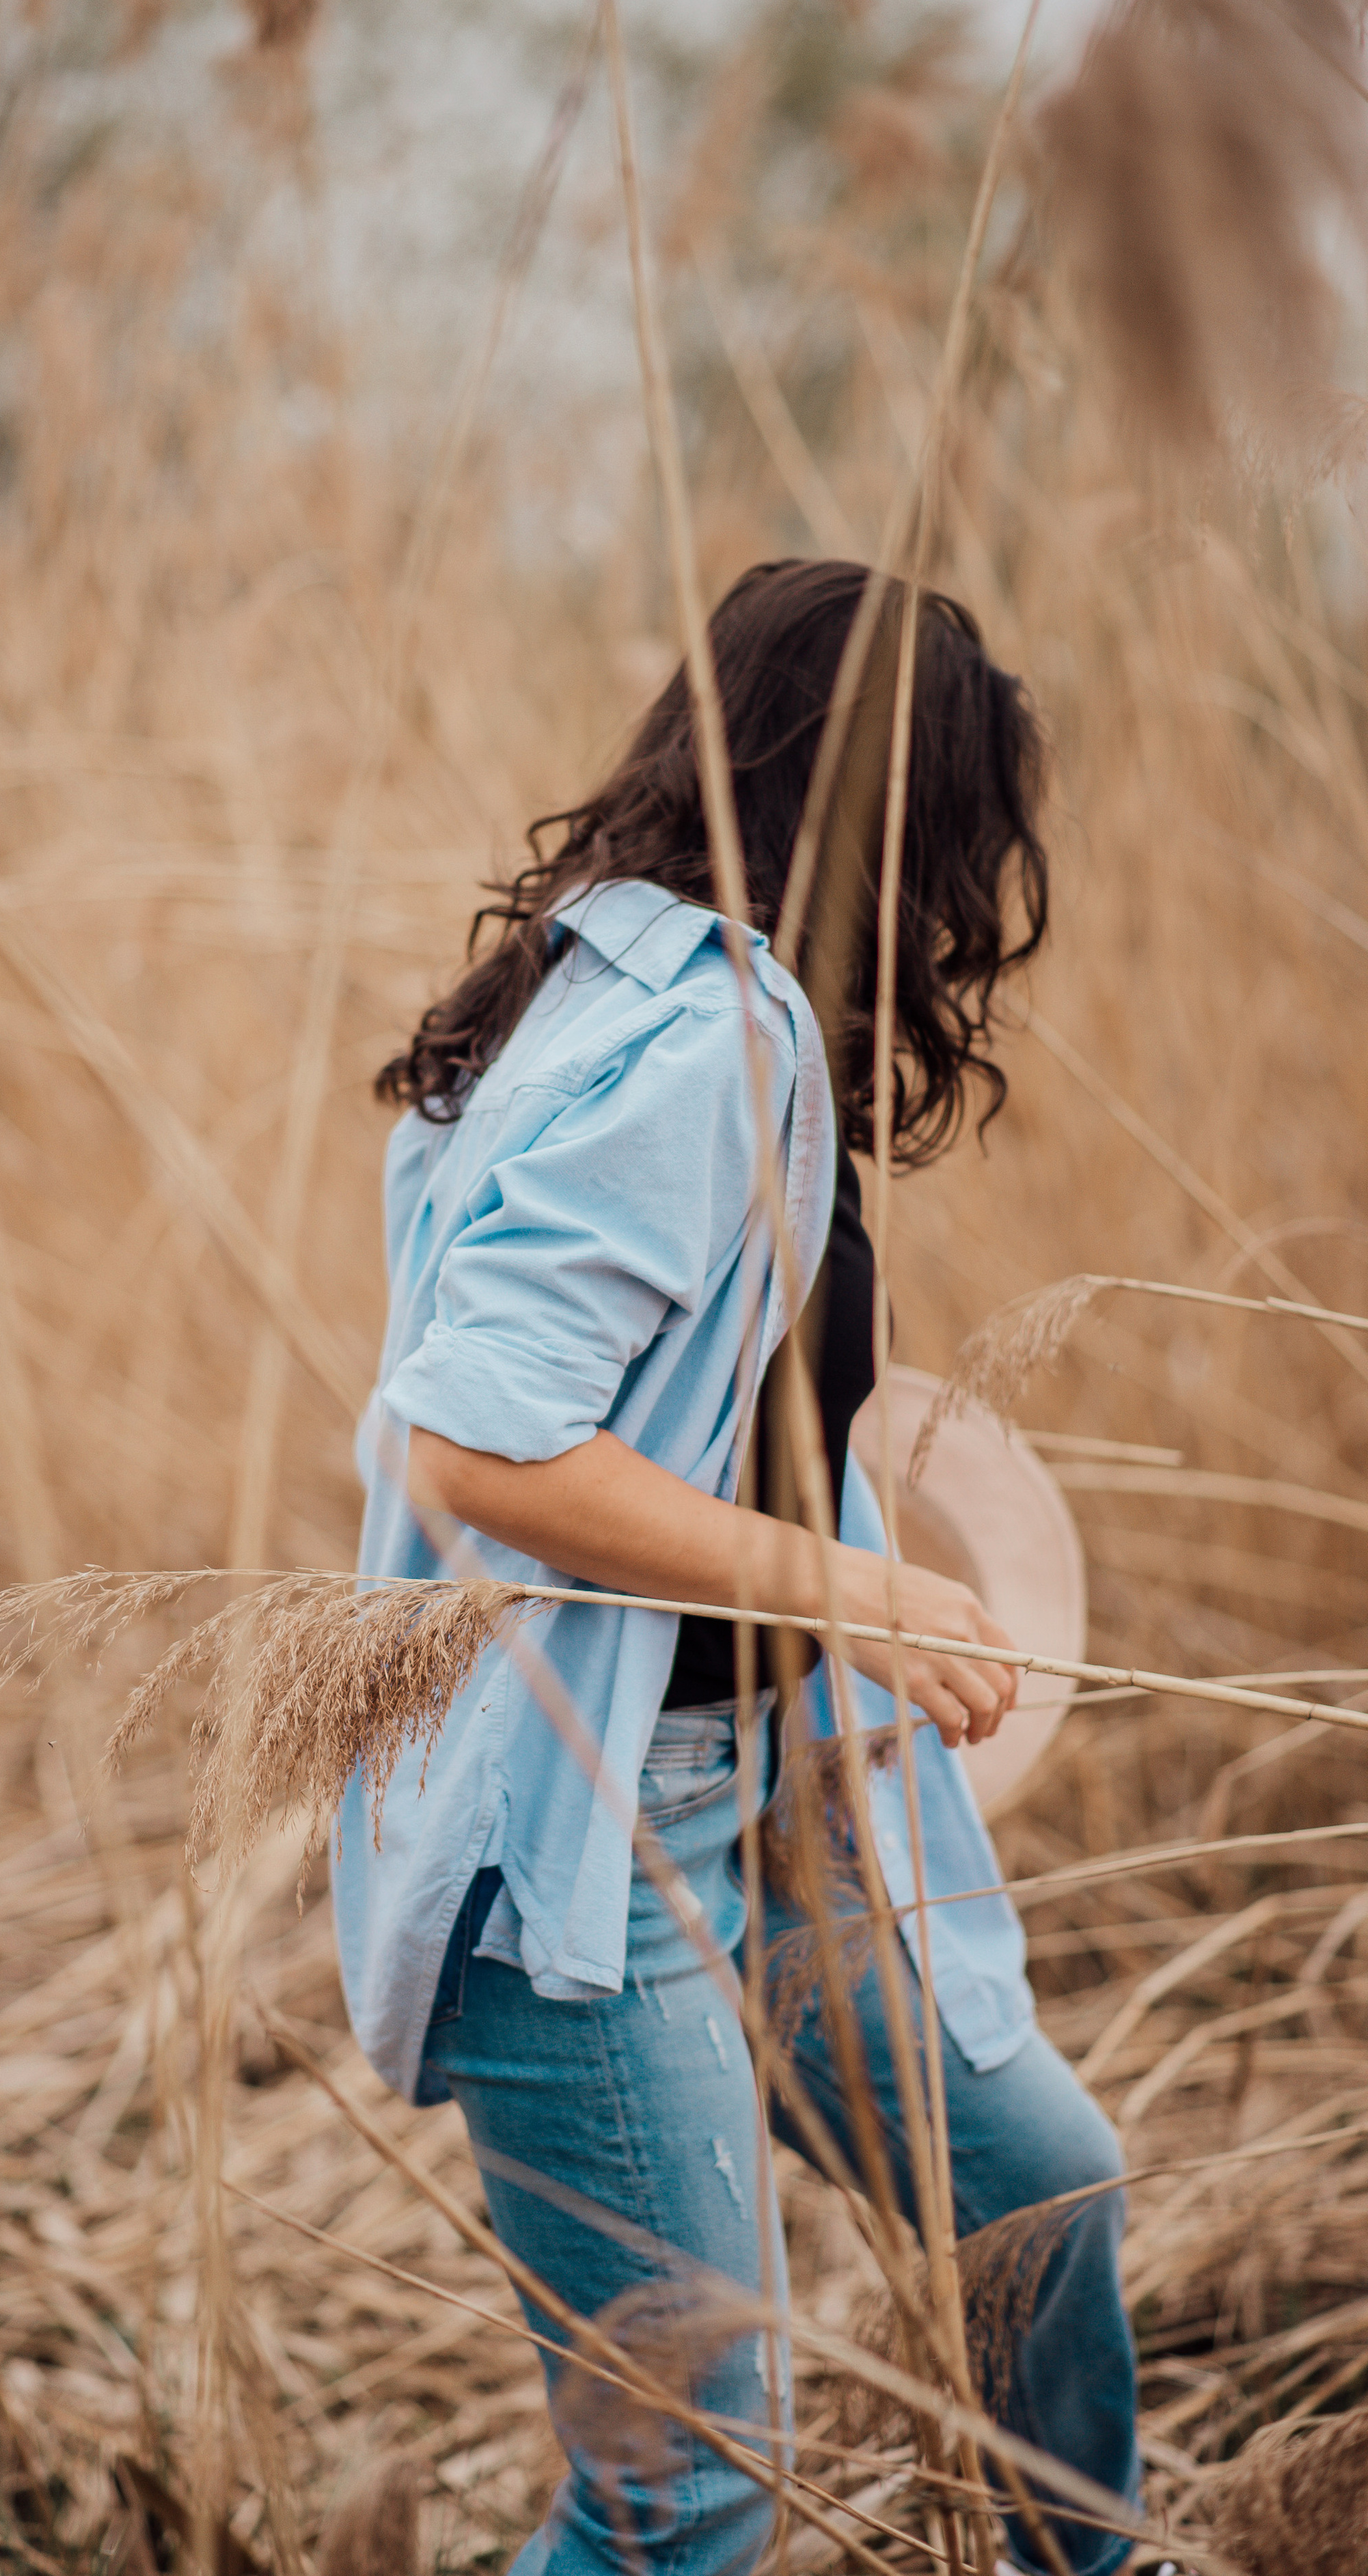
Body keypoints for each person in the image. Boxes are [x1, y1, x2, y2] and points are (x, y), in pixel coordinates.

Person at [333, 560, 1140, 2575]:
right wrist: (860, 1594)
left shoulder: (602, 978)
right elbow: (480, 1442)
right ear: (900, 815)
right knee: (683, 2499)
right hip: (589, 1847)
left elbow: (682, 1389)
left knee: (1038, 2196)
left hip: (782, 1803)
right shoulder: (716, 1034)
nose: (963, 907)